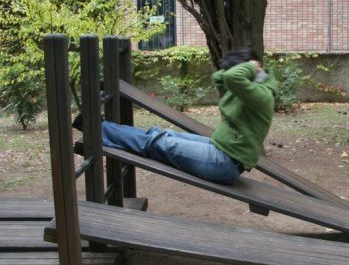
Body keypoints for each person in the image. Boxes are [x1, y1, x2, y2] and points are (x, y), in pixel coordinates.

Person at [74, 47, 278, 185]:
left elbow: (232, 77)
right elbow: (221, 78)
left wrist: (252, 65)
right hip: (220, 151)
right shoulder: (250, 90)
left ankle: (96, 128)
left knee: (156, 142)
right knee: (159, 133)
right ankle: (104, 128)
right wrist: (250, 70)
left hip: (224, 164)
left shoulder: (261, 96)